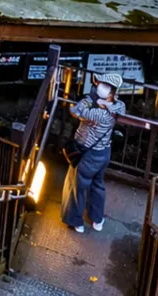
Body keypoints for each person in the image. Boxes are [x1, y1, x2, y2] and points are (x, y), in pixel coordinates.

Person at [61, 72, 126, 233]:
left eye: (103, 85)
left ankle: (77, 222)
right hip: (104, 153)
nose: (98, 86)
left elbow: (75, 110)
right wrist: (100, 102)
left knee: (79, 187)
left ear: (111, 92)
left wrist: (90, 100)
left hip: (88, 155)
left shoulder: (96, 113)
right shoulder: (119, 107)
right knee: (98, 185)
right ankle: (97, 220)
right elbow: (114, 108)